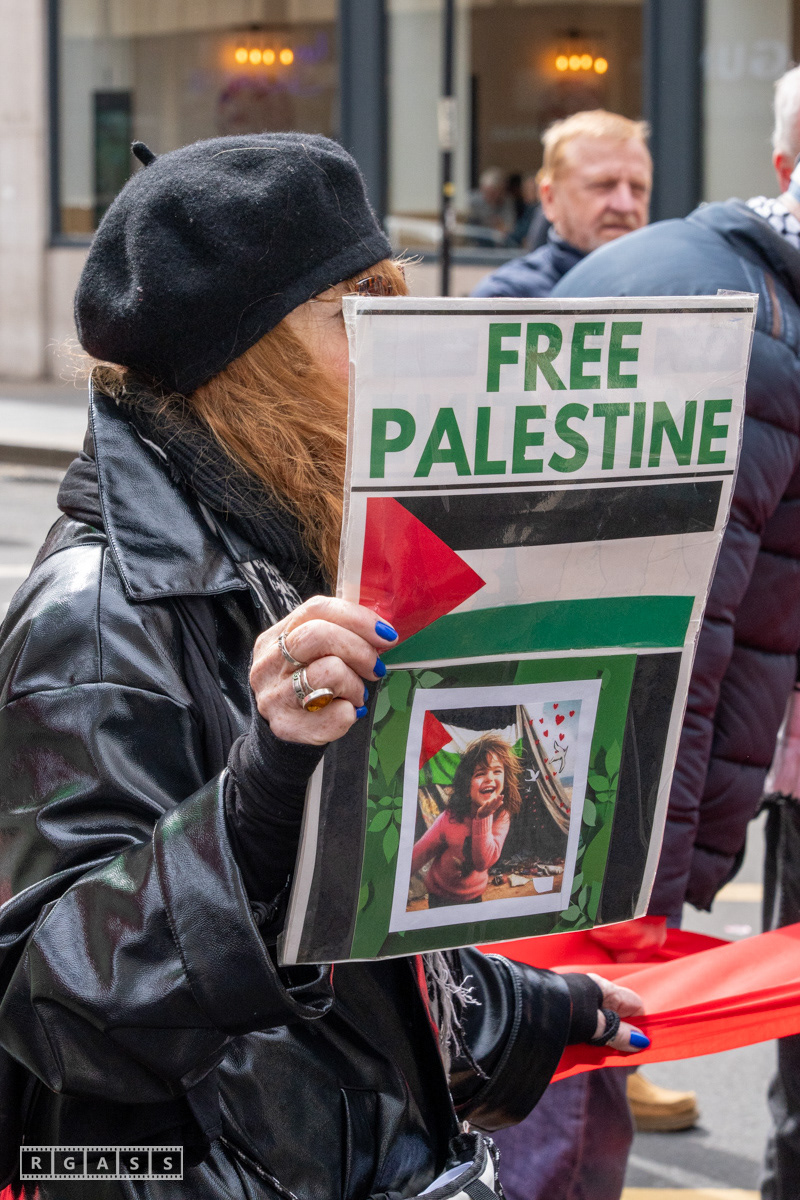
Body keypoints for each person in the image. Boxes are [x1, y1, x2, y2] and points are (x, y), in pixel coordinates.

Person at [0, 133, 650, 1199]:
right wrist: (256, 797)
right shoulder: (101, 613)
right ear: (245, 361)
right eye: (354, 312)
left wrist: (533, 1009)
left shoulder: (288, 548)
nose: (397, 355)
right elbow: (54, 1005)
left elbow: (344, 949)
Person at [493, 64, 800, 1200]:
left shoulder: (685, 273)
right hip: (582, 793)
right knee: (564, 1080)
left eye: (636, 180)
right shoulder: (746, 329)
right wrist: (647, 900)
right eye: (600, 183)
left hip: (520, 755)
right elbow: (682, 644)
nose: (623, 200)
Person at [472, 110, 651, 299]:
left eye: (638, 188)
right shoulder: (508, 300)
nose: (625, 205)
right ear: (550, 199)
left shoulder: (669, 288)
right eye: (602, 185)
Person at [411, 734, 521, 907]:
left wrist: (483, 818)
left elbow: (483, 862)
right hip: (440, 895)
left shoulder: (501, 816)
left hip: (473, 896)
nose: (490, 778)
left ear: (505, 781)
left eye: (497, 771)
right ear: (466, 788)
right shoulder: (450, 817)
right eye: (480, 773)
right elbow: (420, 853)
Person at [467, 167, 516, 246]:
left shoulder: (507, 201)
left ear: (501, 190)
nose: (488, 196)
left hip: (498, 245)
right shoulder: (472, 201)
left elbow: (509, 227)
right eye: (486, 192)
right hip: (475, 244)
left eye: (493, 192)